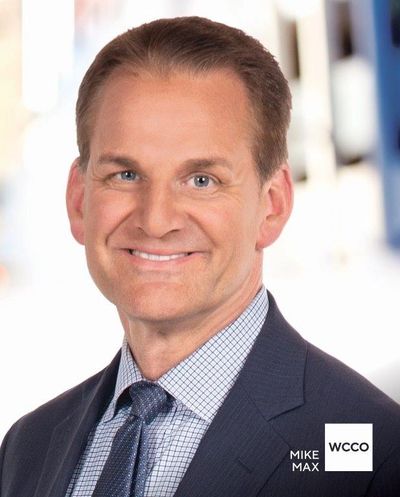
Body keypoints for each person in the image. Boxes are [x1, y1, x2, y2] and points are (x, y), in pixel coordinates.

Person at [1, 16, 400, 497]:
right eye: (125, 175)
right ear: (78, 199)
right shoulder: (27, 448)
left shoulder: (370, 452)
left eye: (201, 180)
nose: (156, 219)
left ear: (272, 206)